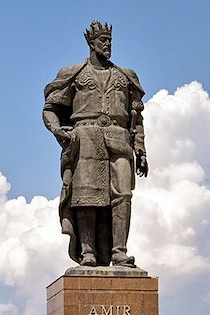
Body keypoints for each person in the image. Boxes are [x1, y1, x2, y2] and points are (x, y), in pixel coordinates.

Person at [43, 20, 148, 267]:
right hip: (86, 138)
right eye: (103, 41)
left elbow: (137, 119)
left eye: (110, 41)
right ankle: (87, 251)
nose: (107, 44)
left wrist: (141, 149)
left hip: (119, 139)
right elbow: (51, 109)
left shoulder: (126, 76)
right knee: (86, 197)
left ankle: (119, 251)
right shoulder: (74, 74)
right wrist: (58, 130)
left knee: (123, 195)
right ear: (92, 43)